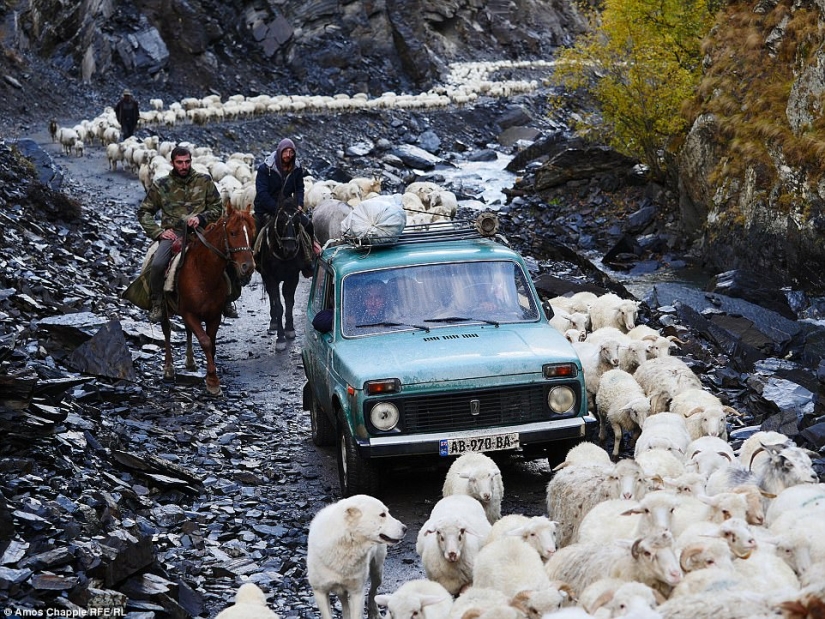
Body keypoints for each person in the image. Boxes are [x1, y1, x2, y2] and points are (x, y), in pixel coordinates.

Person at [137, 145, 229, 322]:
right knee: (157, 265)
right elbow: (144, 212)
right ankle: (157, 302)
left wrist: (201, 218)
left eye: (187, 162)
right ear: (173, 163)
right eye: (179, 162)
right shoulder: (161, 185)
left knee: (227, 260)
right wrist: (158, 232)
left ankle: (226, 300)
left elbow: (218, 207)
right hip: (174, 234)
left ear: (191, 161)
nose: (184, 166)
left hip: (202, 232)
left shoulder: (204, 181)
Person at [253, 138, 305, 233]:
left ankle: (311, 246)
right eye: (285, 152)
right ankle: (253, 248)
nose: (288, 155)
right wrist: (276, 208)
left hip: (287, 208)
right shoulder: (265, 169)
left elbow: (299, 188)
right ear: (279, 151)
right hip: (265, 209)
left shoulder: (297, 168)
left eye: (291, 152)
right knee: (255, 232)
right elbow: (262, 193)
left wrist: (299, 204)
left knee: (308, 225)